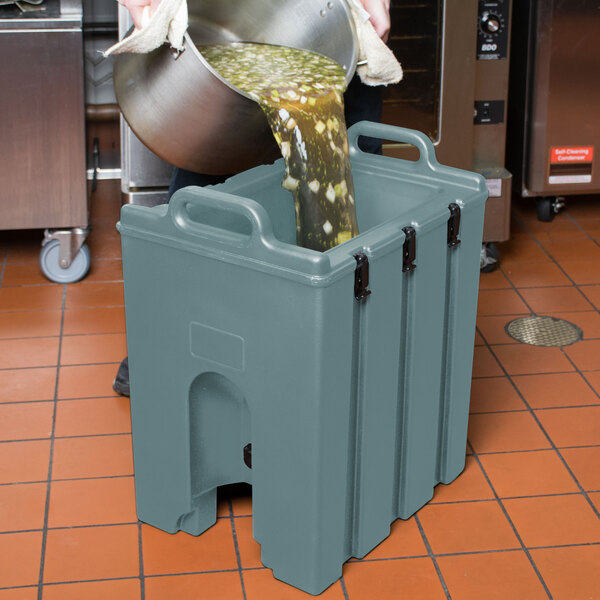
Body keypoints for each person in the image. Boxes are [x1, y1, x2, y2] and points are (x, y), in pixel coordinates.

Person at [113, 0, 393, 396]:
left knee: (354, 173)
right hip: (220, 26)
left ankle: (340, 350)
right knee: (210, 175)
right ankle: (168, 343)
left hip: (334, 19)